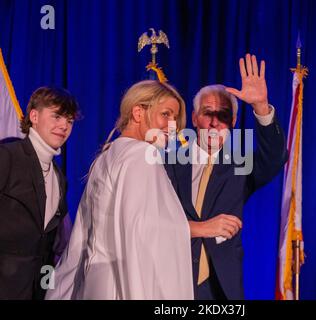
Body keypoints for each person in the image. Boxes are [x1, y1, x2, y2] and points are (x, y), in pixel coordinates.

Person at [45, 80, 194, 300]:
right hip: (120, 285)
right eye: (166, 114)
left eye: (175, 119)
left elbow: (83, 237)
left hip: (95, 282)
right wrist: (203, 228)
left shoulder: (106, 156)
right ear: (138, 112)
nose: (172, 126)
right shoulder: (141, 154)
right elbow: (140, 227)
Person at [165, 54, 288, 299]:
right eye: (207, 113)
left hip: (220, 287)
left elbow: (275, 157)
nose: (214, 123)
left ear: (232, 121)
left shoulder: (241, 165)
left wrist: (261, 107)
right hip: (169, 279)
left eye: (223, 116)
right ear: (194, 118)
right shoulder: (167, 162)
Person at [0, 86, 79, 300]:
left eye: (70, 121)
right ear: (34, 116)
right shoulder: (8, 156)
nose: (64, 126)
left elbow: (49, 246)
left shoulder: (59, 178)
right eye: (57, 116)